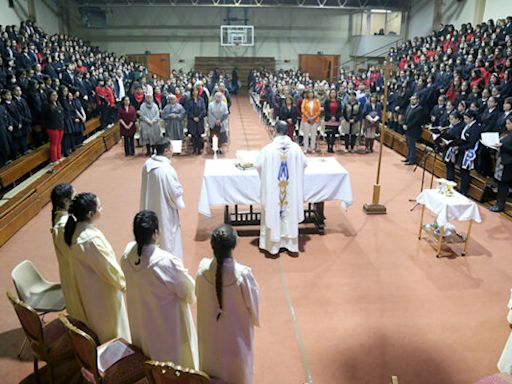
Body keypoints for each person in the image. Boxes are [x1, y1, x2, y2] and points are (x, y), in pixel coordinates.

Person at [121, 210, 198, 366]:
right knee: (174, 363)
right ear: (156, 233)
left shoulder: (127, 254)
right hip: (166, 327)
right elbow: (188, 291)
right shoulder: (165, 262)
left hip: (141, 323)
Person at [195, 224, 259, 384]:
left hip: (210, 342)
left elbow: (197, 295)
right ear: (234, 244)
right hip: (235, 344)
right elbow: (254, 306)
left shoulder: (202, 270)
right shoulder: (242, 275)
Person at [64, 192, 130, 343]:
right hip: (103, 294)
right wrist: (124, 285)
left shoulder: (76, 231)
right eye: (100, 207)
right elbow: (109, 269)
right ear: (90, 214)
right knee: (112, 332)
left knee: (98, 325)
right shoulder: (91, 240)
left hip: (90, 290)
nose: (102, 209)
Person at [255, 120, 307, 256]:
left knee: (273, 208)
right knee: (288, 209)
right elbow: (304, 163)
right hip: (289, 190)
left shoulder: (268, 149)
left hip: (274, 191)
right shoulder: (296, 148)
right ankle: (290, 245)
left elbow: (258, 166)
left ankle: (273, 246)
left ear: (275, 130)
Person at [140, 137, 185, 259]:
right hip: (164, 209)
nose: (172, 151)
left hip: (149, 206)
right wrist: (180, 189)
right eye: (171, 148)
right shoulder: (166, 170)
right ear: (166, 151)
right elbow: (175, 193)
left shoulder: (147, 165)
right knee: (166, 236)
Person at [50, 183, 85, 321]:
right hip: (74, 272)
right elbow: (74, 254)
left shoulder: (59, 218)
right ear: (65, 201)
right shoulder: (64, 225)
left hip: (68, 268)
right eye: (74, 196)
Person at [489, 115, 512, 212]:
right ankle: (498, 202)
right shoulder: (507, 133)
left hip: (508, 163)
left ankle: (500, 204)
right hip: (501, 160)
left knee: (503, 184)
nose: (507, 125)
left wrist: (502, 146)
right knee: (500, 183)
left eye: (508, 123)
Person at [458, 109, 483, 196]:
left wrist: (460, 147)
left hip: (469, 152)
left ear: (472, 118)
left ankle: (464, 191)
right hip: (463, 150)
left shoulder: (476, 128)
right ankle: (461, 189)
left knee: (465, 172)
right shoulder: (467, 125)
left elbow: (471, 143)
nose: (465, 120)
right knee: (462, 170)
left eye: (466, 119)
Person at [43, 90, 64, 165]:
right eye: (53, 95)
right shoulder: (46, 105)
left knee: (59, 143)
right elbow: (44, 117)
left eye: (56, 95)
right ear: (49, 96)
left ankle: (59, 157)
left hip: (60, 126)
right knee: (54, 143)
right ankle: (54, 159)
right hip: (52, 127)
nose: (55, 97)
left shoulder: (58, 103)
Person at [402, 95, 425, 165]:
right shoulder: (409, 107)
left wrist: (408, 126)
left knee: (412, 145)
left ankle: (412, 159)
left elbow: (416, 120)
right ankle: (408, 157)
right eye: (411, 99)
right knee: (408, 144)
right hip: (407, 129)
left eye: (414, 99)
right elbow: (406, 116)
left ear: (417, 100)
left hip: (414, 130)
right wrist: (404, 124)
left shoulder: (419, 109)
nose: (412, 101)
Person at [187, 87, 206, 155]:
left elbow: (203, 110)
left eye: (196, 91)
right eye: (193, 91)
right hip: (192, 121)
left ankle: (200, 149)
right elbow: (188, 111)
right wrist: (193, 117)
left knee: (199, 135)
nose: (195, 92)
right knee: (193, 135)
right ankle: (194, 149)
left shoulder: (201, 100)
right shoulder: (189, 100)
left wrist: (199, 117)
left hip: (200, 120)